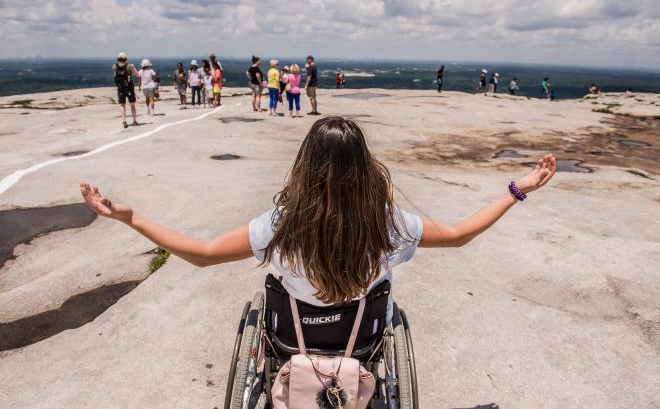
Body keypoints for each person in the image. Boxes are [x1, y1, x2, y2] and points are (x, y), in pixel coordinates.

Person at [79, 117, 556, 328]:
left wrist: (132, 217)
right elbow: (458, 236)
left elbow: (202, 255)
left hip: (294, 337)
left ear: (305, 165)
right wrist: (517, 189)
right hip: (361, 338)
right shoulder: (389, 223)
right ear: (365, 166)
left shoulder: (282, 225)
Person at [112, 52, 140, 128]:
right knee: (132, 105)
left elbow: (115, 76)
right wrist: (133, 67)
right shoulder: (129, 66)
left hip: (120, 88)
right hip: (129, 88)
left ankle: (124, 121)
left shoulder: (115, 66)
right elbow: (137, 74)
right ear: (126, 58)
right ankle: (134, 121)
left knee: (122, 105)